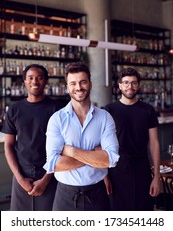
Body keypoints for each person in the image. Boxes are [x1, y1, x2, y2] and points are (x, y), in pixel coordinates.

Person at [44, 61, 119, 211]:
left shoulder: (105, 118)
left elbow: (111, 159)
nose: (78, 87)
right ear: (67, 87)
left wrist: (72, 152)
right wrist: (95, 156)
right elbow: (54, 164)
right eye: (73, 83)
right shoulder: (57, 119)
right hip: (65, 196)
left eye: (83, 82)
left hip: (97, 194)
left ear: (90, 84)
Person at [1, 64, 64, 211]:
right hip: (21, 174)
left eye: (39, 78)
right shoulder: (15, 109)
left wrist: (46, 179)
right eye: (30, 78)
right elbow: (8, 145)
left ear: (46, 81)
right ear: (24, 81)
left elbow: (63, 148)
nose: (35, 82)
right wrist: (19, 177)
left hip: (50, 175)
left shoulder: (57, 109)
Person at [105, 67, 160, 211]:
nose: (130, 86)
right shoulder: (108, 110)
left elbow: (154, 144)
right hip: (116, 169)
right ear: (120, 85)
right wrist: (104, 177)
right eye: (126, 82)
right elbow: (102, 146)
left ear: (139, 85)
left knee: (142, 210)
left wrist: (156, 177)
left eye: (134, 83)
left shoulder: (148, 110)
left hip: (142, 167)